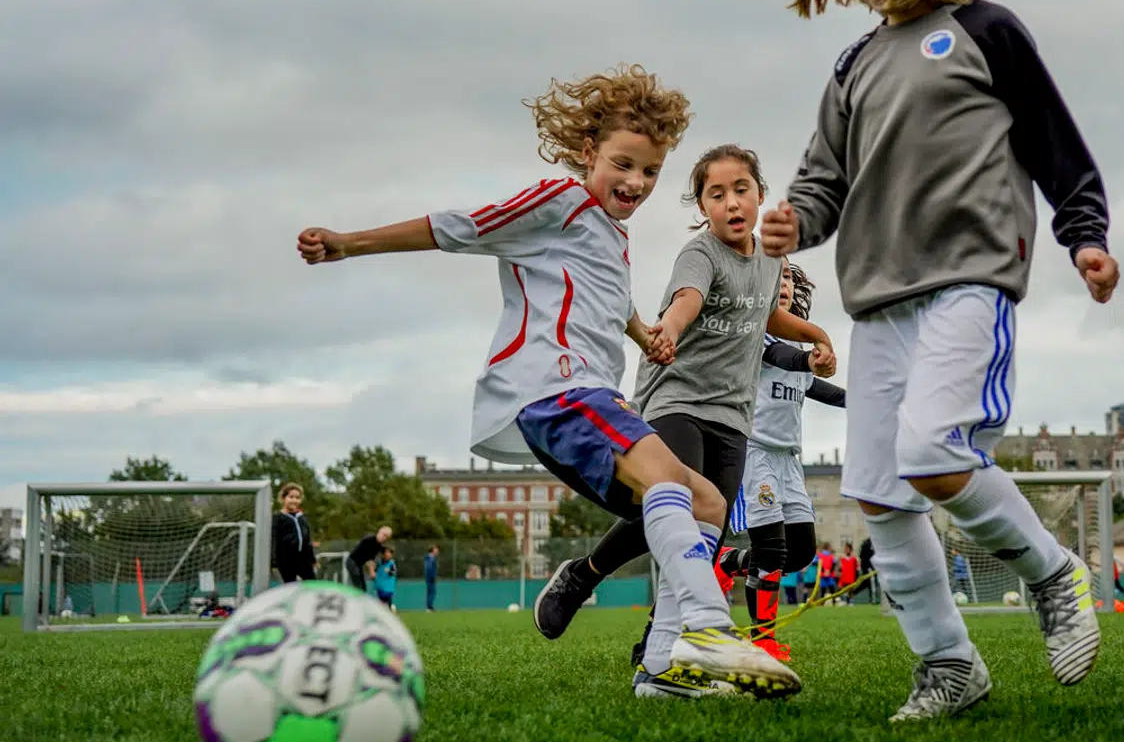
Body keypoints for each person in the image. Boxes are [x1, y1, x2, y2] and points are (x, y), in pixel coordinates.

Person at [296, 65, 798, 699]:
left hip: (594, 395)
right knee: (670, 481)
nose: (636, 183)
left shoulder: (613, 237)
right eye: (623, 164)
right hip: (553, 392)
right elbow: (460, 225)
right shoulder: (559, 200)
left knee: (708, 504)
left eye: (649, 171)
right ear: (589, 153)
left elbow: (610, 306)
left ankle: (664, 671)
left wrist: (646, 337)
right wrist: (351, 243)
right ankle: (705, 627)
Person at [761, 0, 1121, 721]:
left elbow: (1054, 144)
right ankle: (950, 664)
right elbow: (822, 186)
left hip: (969, 281)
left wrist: (1087, 236)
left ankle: (1052, 571)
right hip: (878, 304)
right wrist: (792, 226)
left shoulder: (987, 30)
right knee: (880, 495)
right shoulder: (851, 66)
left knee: (933, 455)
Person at [528, 144, 836, 697]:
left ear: (760, 195)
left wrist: (816, 337)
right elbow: (688, 300)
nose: (731, 203)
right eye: (715, 195)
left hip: (732, 413)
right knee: (676, 499)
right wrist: (667, 327)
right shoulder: (699, 257)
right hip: (676, 401)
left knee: (702, 529)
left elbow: (766, 311)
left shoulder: (769, 258)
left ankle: (656, 651)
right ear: (702, 207)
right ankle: (591, 582)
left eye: (740, 189)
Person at [716, 259, 845, 659]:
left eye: (788, 276)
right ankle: (763, 639)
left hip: (789, 460)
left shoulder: (796, 349)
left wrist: (869, 400)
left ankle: (728, 563)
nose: (783, 282)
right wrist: (810, 357)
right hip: (754, 452)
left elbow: (816, 388)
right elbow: (788, 360)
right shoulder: (756, 336)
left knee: (802, 552)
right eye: (775, 277)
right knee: (772, 548)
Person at [271, 482, 317, 584]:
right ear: (283, 498)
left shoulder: (302, 518)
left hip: (303, 559)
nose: (294, 500)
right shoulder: (278, 518)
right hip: (286, 560)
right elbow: (274, 539)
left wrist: (312, 559)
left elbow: (307, 539)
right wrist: (274, 561)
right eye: (291, 497)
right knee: (290, 585)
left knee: (312, 584)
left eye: (297, 497)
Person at [345, 526, 392, 594]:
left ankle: (360, 600)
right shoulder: (370, 539)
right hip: (352, 562)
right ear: (379, 532)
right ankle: (355, 600)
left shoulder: (378, 546)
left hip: (359, 565)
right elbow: (369, 561)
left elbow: (371, 560)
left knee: (363, 588)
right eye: (383, 535)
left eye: (386, 537)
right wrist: (371, 571)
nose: (384, 538)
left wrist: (373, 572)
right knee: (358, 586)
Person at [374, 547, 398, 611]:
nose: (388, 554)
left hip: (388, 586)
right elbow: (374, 571)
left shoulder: (392, 563)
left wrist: (389, 571)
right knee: (381, 601)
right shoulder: (379, 563)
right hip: (380, 586)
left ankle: (390, 609)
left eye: (389, 553)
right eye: (386, 552)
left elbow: (394, 572)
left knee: (388, 598)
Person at [858, 537, 876, 603]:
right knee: (871, 582)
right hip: (869, 567)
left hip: (864, 566)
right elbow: (872, 555)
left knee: (867, 583)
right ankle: (873, 599)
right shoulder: (870, 545)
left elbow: (860, 555)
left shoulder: (863, 544)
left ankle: (872, 598)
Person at [424, 545, 440, 611]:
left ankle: (429, 607)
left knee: (430, 592)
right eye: (436, 550)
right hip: (430, 578)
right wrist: (433, 577)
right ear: (433, 550)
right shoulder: (430, 558)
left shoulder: (428, 558)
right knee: (432, 592)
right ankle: (430, 607)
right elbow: (429, 569)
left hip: (429, 578)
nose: (437, 551)